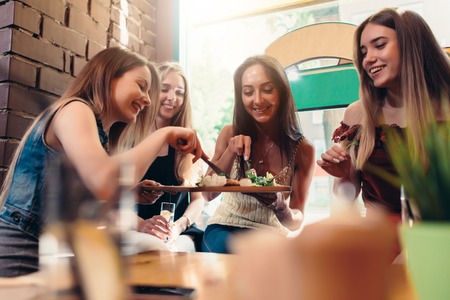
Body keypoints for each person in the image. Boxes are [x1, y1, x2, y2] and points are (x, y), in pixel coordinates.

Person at [0, 47, 204, 277]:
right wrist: (164, 134)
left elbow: (88, 199)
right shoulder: (75, 109)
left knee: (148, 252)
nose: (148, 99)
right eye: (141, 85)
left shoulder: (97, 131)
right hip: (25, 249)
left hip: (52, 247)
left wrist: (129, 192)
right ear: (108, 77)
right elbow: (104, 182)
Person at [317, 8, 450, 258]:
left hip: (438, 245)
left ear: (411, 45)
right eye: (364, 52)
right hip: (379, 244)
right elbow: (346, 198)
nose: (368, 59)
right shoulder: (357, 115)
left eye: (379, 45)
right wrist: (344, 176)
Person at [201, 55, 315, 254]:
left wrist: (284, 211)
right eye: (248, 92)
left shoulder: (303, 149)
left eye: (267, 90)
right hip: (224, 228)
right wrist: (230, 150)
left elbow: (296, 220)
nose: (258, 100)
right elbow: (208, 194)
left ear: (282, 91)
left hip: (272, 235)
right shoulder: (229, 133)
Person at [133, 62, 205, 252]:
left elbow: (198, 199)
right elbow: (112, 197)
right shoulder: (130, 135)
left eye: (180, 93)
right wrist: (142, 224)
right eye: (165, 89)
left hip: (178, 233)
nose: (172, 98)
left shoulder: (189, 140)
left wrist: (179, 226)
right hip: (135, 227)